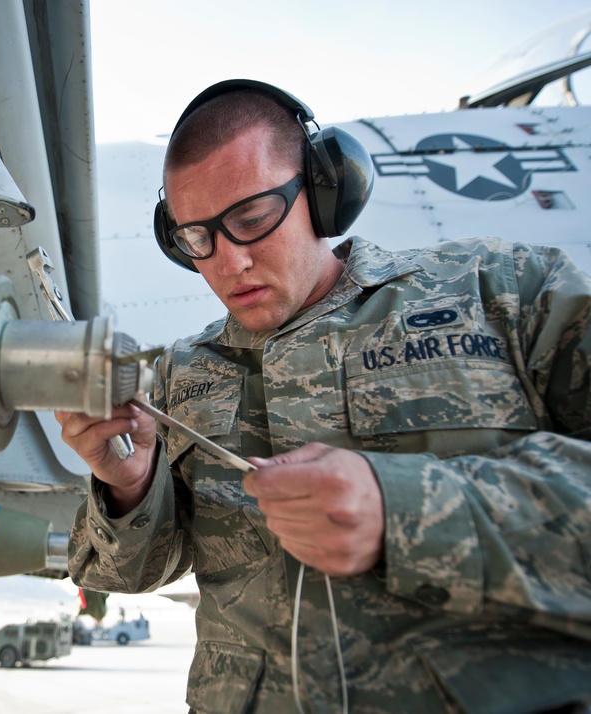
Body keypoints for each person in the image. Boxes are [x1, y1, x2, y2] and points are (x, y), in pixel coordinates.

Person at [56, 79, 591, 713]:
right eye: (196, 240)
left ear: (325, 190)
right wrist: (128, 486)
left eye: (252, 220)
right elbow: (123, 574)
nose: (229, 263)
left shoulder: (504, 294)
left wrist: (405, 511)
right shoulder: (183, 373)